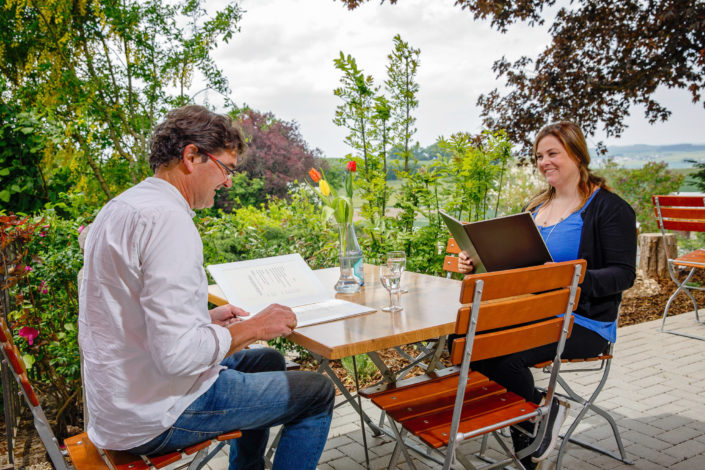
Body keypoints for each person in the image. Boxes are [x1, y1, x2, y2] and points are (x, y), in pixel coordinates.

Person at [78, 105, 335, 470]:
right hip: (155, 415)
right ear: (192, 156)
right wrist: (256, 326)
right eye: (226, 169)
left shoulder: (124, 206)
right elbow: (179, 357)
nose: (228, 181)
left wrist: (205, 319)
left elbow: (132, 311)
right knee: (317, 392)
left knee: (268, 361)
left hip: (121, 403)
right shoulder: (168, 221)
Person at [457, 121, 636, 469]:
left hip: (583, 323)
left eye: (553, 153)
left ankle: (531, 433)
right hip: (533, 313)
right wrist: (477, 260)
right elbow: (517, 266)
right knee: (463, 341)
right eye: (539, 156)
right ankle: (539, 409)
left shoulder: (609, 209)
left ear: (576, 154)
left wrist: (568, 283)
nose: (544, 162)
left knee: (499, 355)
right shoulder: (536, 207)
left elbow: (623, 274)